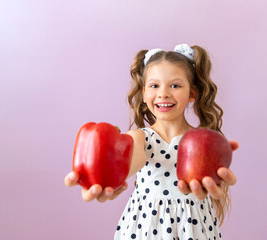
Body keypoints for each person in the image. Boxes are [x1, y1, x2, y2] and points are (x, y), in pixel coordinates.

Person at [64, 44, 238, 239]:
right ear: (145, 93)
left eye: (175, 85)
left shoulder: (204, 140)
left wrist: (218, 158)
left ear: (192, 93)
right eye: (155, 86)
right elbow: (129, 162)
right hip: (146, 231)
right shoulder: (140, 138)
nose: (163, 93)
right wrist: (107, 183)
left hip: (194, 231)